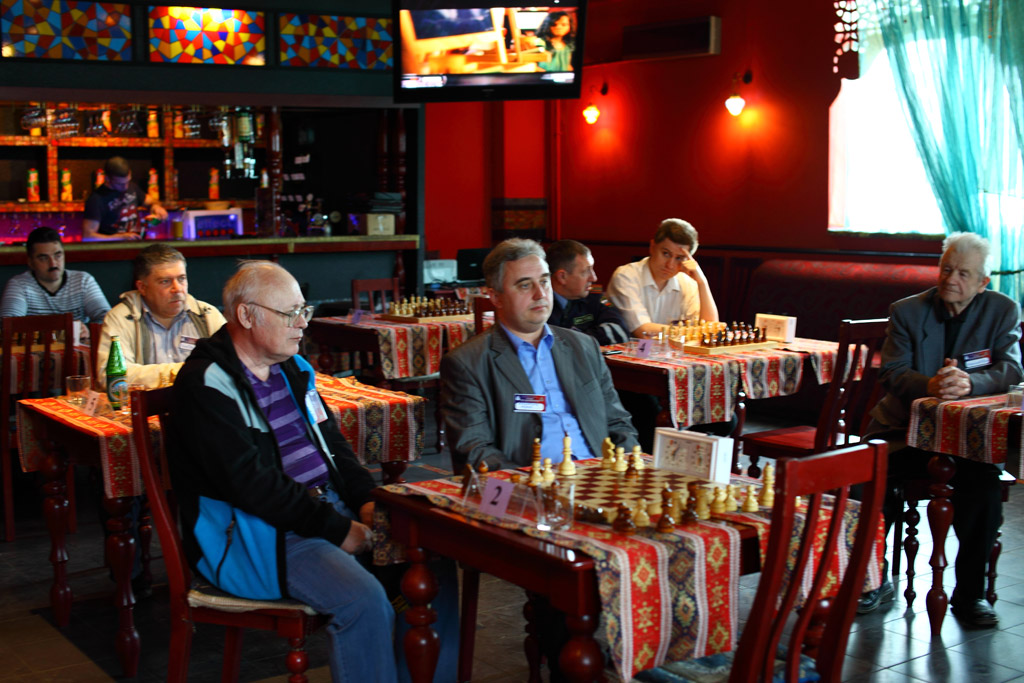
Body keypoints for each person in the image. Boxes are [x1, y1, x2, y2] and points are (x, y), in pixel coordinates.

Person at [167, 261, 396, 682]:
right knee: (361, 601)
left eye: (304, 311)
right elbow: (252, 485)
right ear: (246, 315)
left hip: (321, 511)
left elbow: (335, 448)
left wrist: (366, 500)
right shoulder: (206, 384)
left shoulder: (293, 368)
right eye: (290, 313)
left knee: (428, 565)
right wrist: (337, 529)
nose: (303, 323)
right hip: (259, 535)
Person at [857, 232, 1023, 627]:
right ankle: (873, 579)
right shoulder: (907, 311)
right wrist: (930, 384)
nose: (951, 279)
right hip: (903, 432)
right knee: (867, 482)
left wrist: (969, 383)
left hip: (966, 440)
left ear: (983, 282)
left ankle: (970, 595)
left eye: (963, 273)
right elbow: (892, 373)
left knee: (983, 491)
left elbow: (1012, 368)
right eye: (946, 269)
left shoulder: (1002, 310)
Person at [441, 238, 638, 473]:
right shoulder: (467, 363)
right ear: (495, 297)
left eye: (544, 281)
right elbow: (474, 449)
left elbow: (618, 423)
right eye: (525, 285)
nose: (540, 294)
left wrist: (628, 472)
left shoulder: (584, 347)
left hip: (600, 476)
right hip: (529, 482)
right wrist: (530, 485)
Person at [97, 244, 225, 388]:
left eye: (181, 279)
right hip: (146, 403)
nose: (177, 288)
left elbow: (233, 366)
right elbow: (111, 377)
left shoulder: (207, 315)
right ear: (142, 287)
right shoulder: (120, 318)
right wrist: (180, 371)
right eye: (165, 281)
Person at [607, 218, 720, 339]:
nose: (670, 265)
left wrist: (702, 283)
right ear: (652, 247)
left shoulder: (688, 282)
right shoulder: (626, 276)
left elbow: (711, 332)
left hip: (671, 350)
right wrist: (695, 331)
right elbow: (643, 332)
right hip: (634, 349)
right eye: (666, 253)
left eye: (679, 258)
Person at [0, 226, 110, 322]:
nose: (53, 263)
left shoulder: (83, 280)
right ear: (30, 262)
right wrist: (65, 328)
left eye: (58, 255)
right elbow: (8, 325)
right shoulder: (19, 284)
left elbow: (108, 319)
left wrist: (88, 329)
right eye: (44, 258)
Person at [545, 239, 629, 346]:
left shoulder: (596, 296)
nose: (594, 278)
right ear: (562, 277)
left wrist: (576, 339)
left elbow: (620, 330)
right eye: (585, 272)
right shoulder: (540, 303)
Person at [82, 156, 167, 241]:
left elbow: (152, 201)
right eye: (120, 184)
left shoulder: (132, 187)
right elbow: (88, 236)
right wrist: (120, 237)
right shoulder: (96, 199)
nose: (125, 187)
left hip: (136, 243)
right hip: (114, 248)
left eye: (127, 181)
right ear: (107, 178)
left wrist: (156, 207)